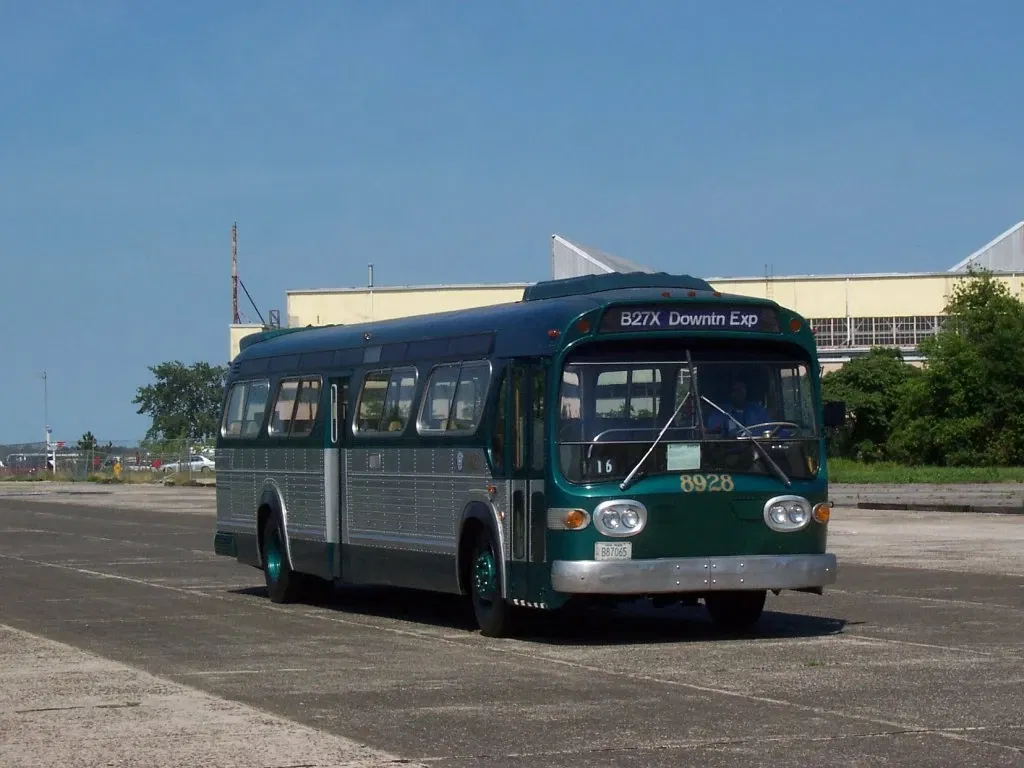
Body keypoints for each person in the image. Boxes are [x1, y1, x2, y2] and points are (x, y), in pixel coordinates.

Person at [706, 379, 771, 437]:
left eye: (742, 390)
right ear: (730, 393)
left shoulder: (758, 411)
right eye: (736, 390)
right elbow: (712, 434)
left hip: (758, 448)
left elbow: (771, 430)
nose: (740, 393)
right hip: (727, 449)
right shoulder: (720, 412)